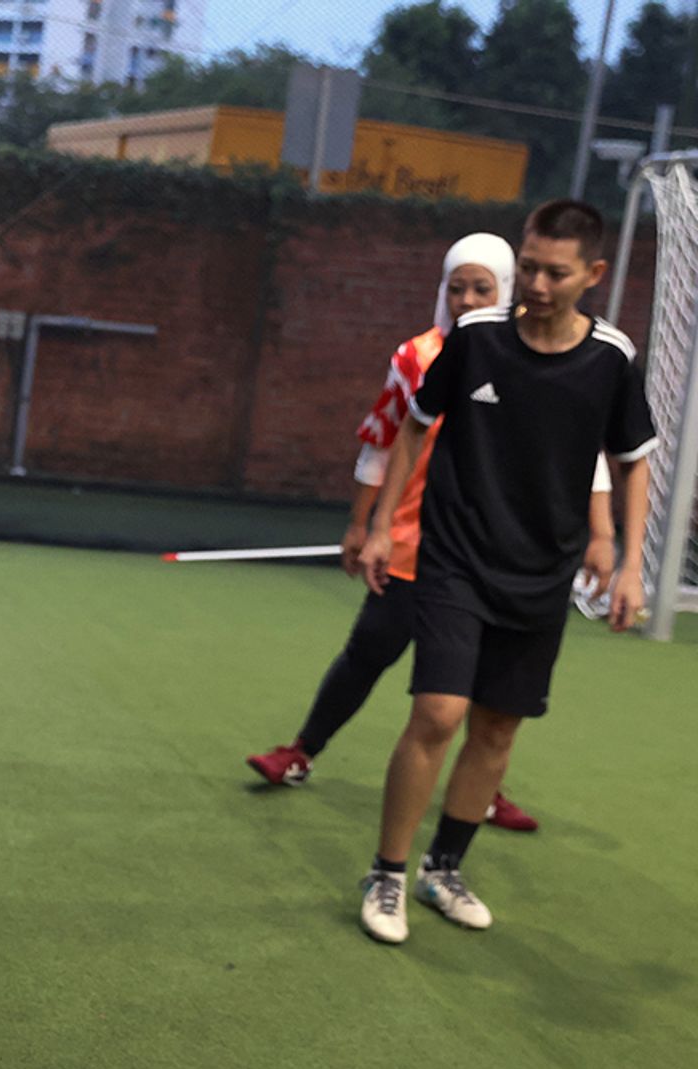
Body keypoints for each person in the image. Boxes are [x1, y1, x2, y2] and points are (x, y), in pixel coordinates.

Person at [353, 200, 658, 945]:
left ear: (593, 274)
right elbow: (414, 427)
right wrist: (380, 527)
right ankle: (386, 875)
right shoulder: (478, 337)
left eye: (557, 273)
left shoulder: (611, 358)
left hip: (543, 572)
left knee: (495, 729)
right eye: (529, 268)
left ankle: (443, 870)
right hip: (456, 558)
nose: (538, 286)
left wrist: (626, 561)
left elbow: (632, 460)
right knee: (439, 713)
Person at [246, 234, 618, 837]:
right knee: (370, 651)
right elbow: (383, 440)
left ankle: (483, 794)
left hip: (495, 552)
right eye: (457, 287)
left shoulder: (536, 357)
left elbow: (584, 456)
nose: (467, 300)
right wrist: (363, 524)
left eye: (482, 288)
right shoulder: (415, 356)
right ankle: (301, 751)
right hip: (413, 543)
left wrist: (603, 532)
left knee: (485, 690)